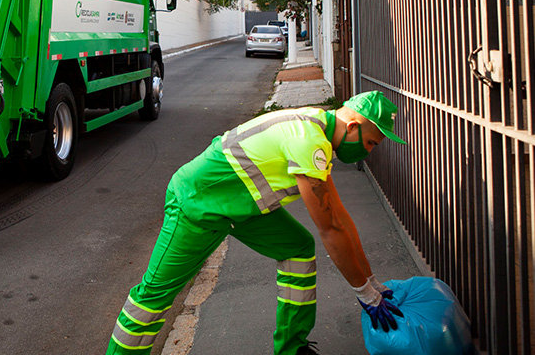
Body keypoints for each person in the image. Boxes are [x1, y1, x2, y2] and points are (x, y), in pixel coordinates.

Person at [106, 91, 406, 355]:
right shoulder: (309, 140)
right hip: (198, 202)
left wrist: (372, 282)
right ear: (352, 127)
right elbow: (330, 228)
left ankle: (292, 348)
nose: (369, 151)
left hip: (242, 207)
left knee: (298, 248)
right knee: (152, 297)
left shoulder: (320, 129)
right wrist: (364, 293)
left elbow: (340, 219)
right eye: (370, 142)